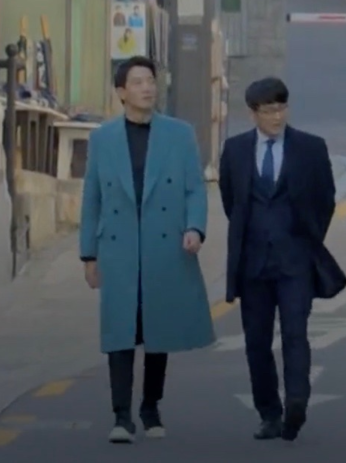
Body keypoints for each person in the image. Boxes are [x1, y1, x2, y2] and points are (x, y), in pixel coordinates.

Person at [79, 56, 216, 443]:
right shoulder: (103, 138)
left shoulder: (179, 134)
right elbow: (92, 198)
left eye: (151, 81)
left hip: (164, 244)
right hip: (118, 247)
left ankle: (151, 407)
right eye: (138, 82)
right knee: (119, 331)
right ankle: (121, 416)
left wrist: (194, 228)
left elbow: (195, 188)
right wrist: (88, 255)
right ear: (121, 92)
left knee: (159, 327)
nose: (147, 88)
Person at [218, 76, 346, 442]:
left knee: (295, 333)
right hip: (253, 262)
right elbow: (231, 201)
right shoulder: (235, 150)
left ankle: (296, 402)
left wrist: (306, 239)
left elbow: (325, 199)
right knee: (256, 342)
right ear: (253, 113)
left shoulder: (310, 148)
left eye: (281, 108)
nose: (276, 117)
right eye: (268, 110)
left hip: (295, 261)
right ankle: (269, 414)